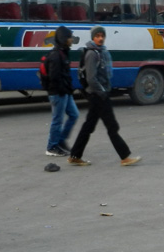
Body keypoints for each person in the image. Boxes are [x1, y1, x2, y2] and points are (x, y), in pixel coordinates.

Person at [68, 27, 141, 167]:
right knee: (112, 125)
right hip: (98, 94)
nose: (100, 38)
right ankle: (124, 156)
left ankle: (75, 155)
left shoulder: (101, 51)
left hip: (98, 93)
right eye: (97, 36)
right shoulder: (92, 54)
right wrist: (102, 92)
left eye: (102, 36)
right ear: (93, 37)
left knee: (89, 125)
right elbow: (91, 78)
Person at [44, 26, 79, 157]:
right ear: (64, 39)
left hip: (65, 92)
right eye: (69, 37)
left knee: (74, 115)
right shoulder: (56, 56)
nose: (71, 39)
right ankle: (52, 146)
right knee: (57, 120)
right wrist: (63, 91)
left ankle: (61, 141)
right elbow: (55, 78)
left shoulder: (63, 52)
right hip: (58, 93)